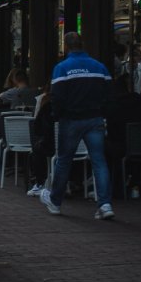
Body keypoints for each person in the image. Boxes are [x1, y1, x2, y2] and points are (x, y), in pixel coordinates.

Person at [41, 31, 115, 220]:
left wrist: (57, 115)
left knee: (64, 160)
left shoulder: (62, 68)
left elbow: (57, 96)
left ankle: (56, 202)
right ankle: (105, 204)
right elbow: (109, 93)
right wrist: (103, 112)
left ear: (66, 46)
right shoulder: (99, 67)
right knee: (99, 161)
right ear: (82, 45)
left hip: (71, 120)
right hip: (95, 118)